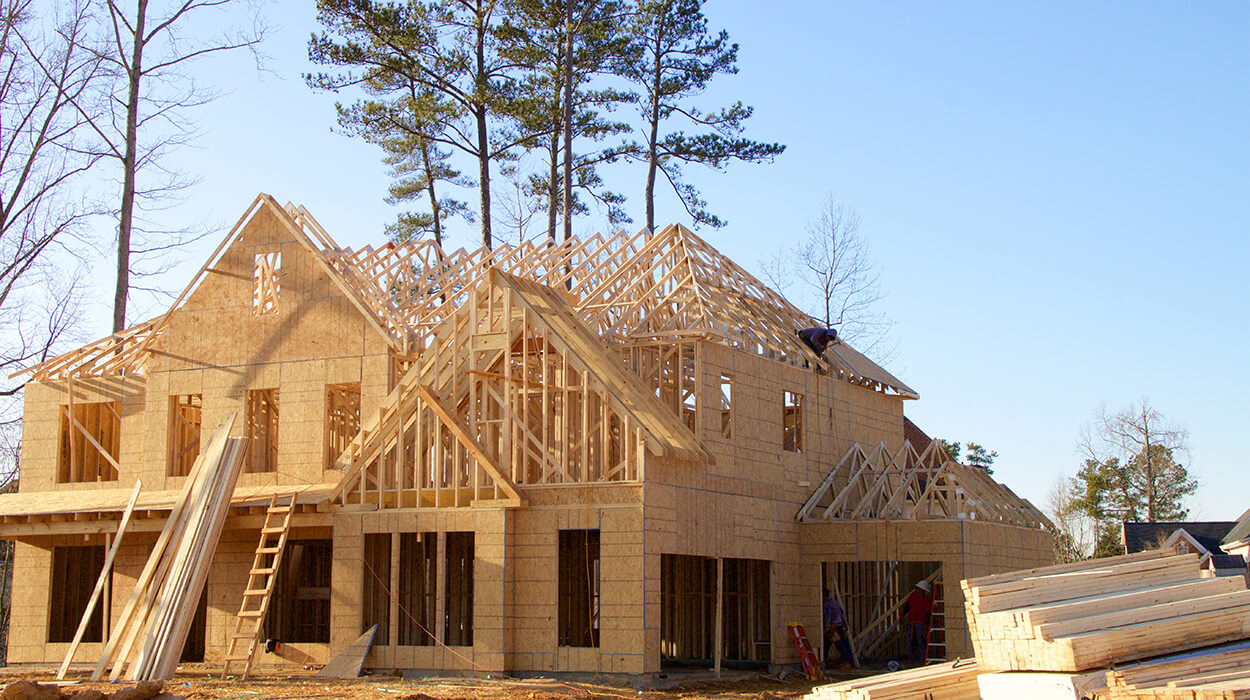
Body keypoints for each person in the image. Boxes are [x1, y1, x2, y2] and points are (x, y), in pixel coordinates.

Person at [823, 588, 857, 668]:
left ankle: (824, 661)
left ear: (824, 595)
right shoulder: (835, 603)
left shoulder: (827, 605)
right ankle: (850, 662)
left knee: (831, 645)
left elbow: (828, 617)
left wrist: (825, 629)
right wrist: (845, 624)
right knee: (844, 645)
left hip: (833, 628)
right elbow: (842, 613)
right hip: (840, 626)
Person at [901, 580, 933, 664]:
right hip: (911, 623)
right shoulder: (912, 596)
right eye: (917, 589)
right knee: (909, 642)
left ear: (923, 591)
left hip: (920, 624)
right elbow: (907, 606)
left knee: (921, 641)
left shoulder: (926, 601)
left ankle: (923, 659)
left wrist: (927, 625)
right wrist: (902, 615)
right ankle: (910, 659)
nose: (917, 590)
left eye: (919, 589)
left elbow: (928, 614)